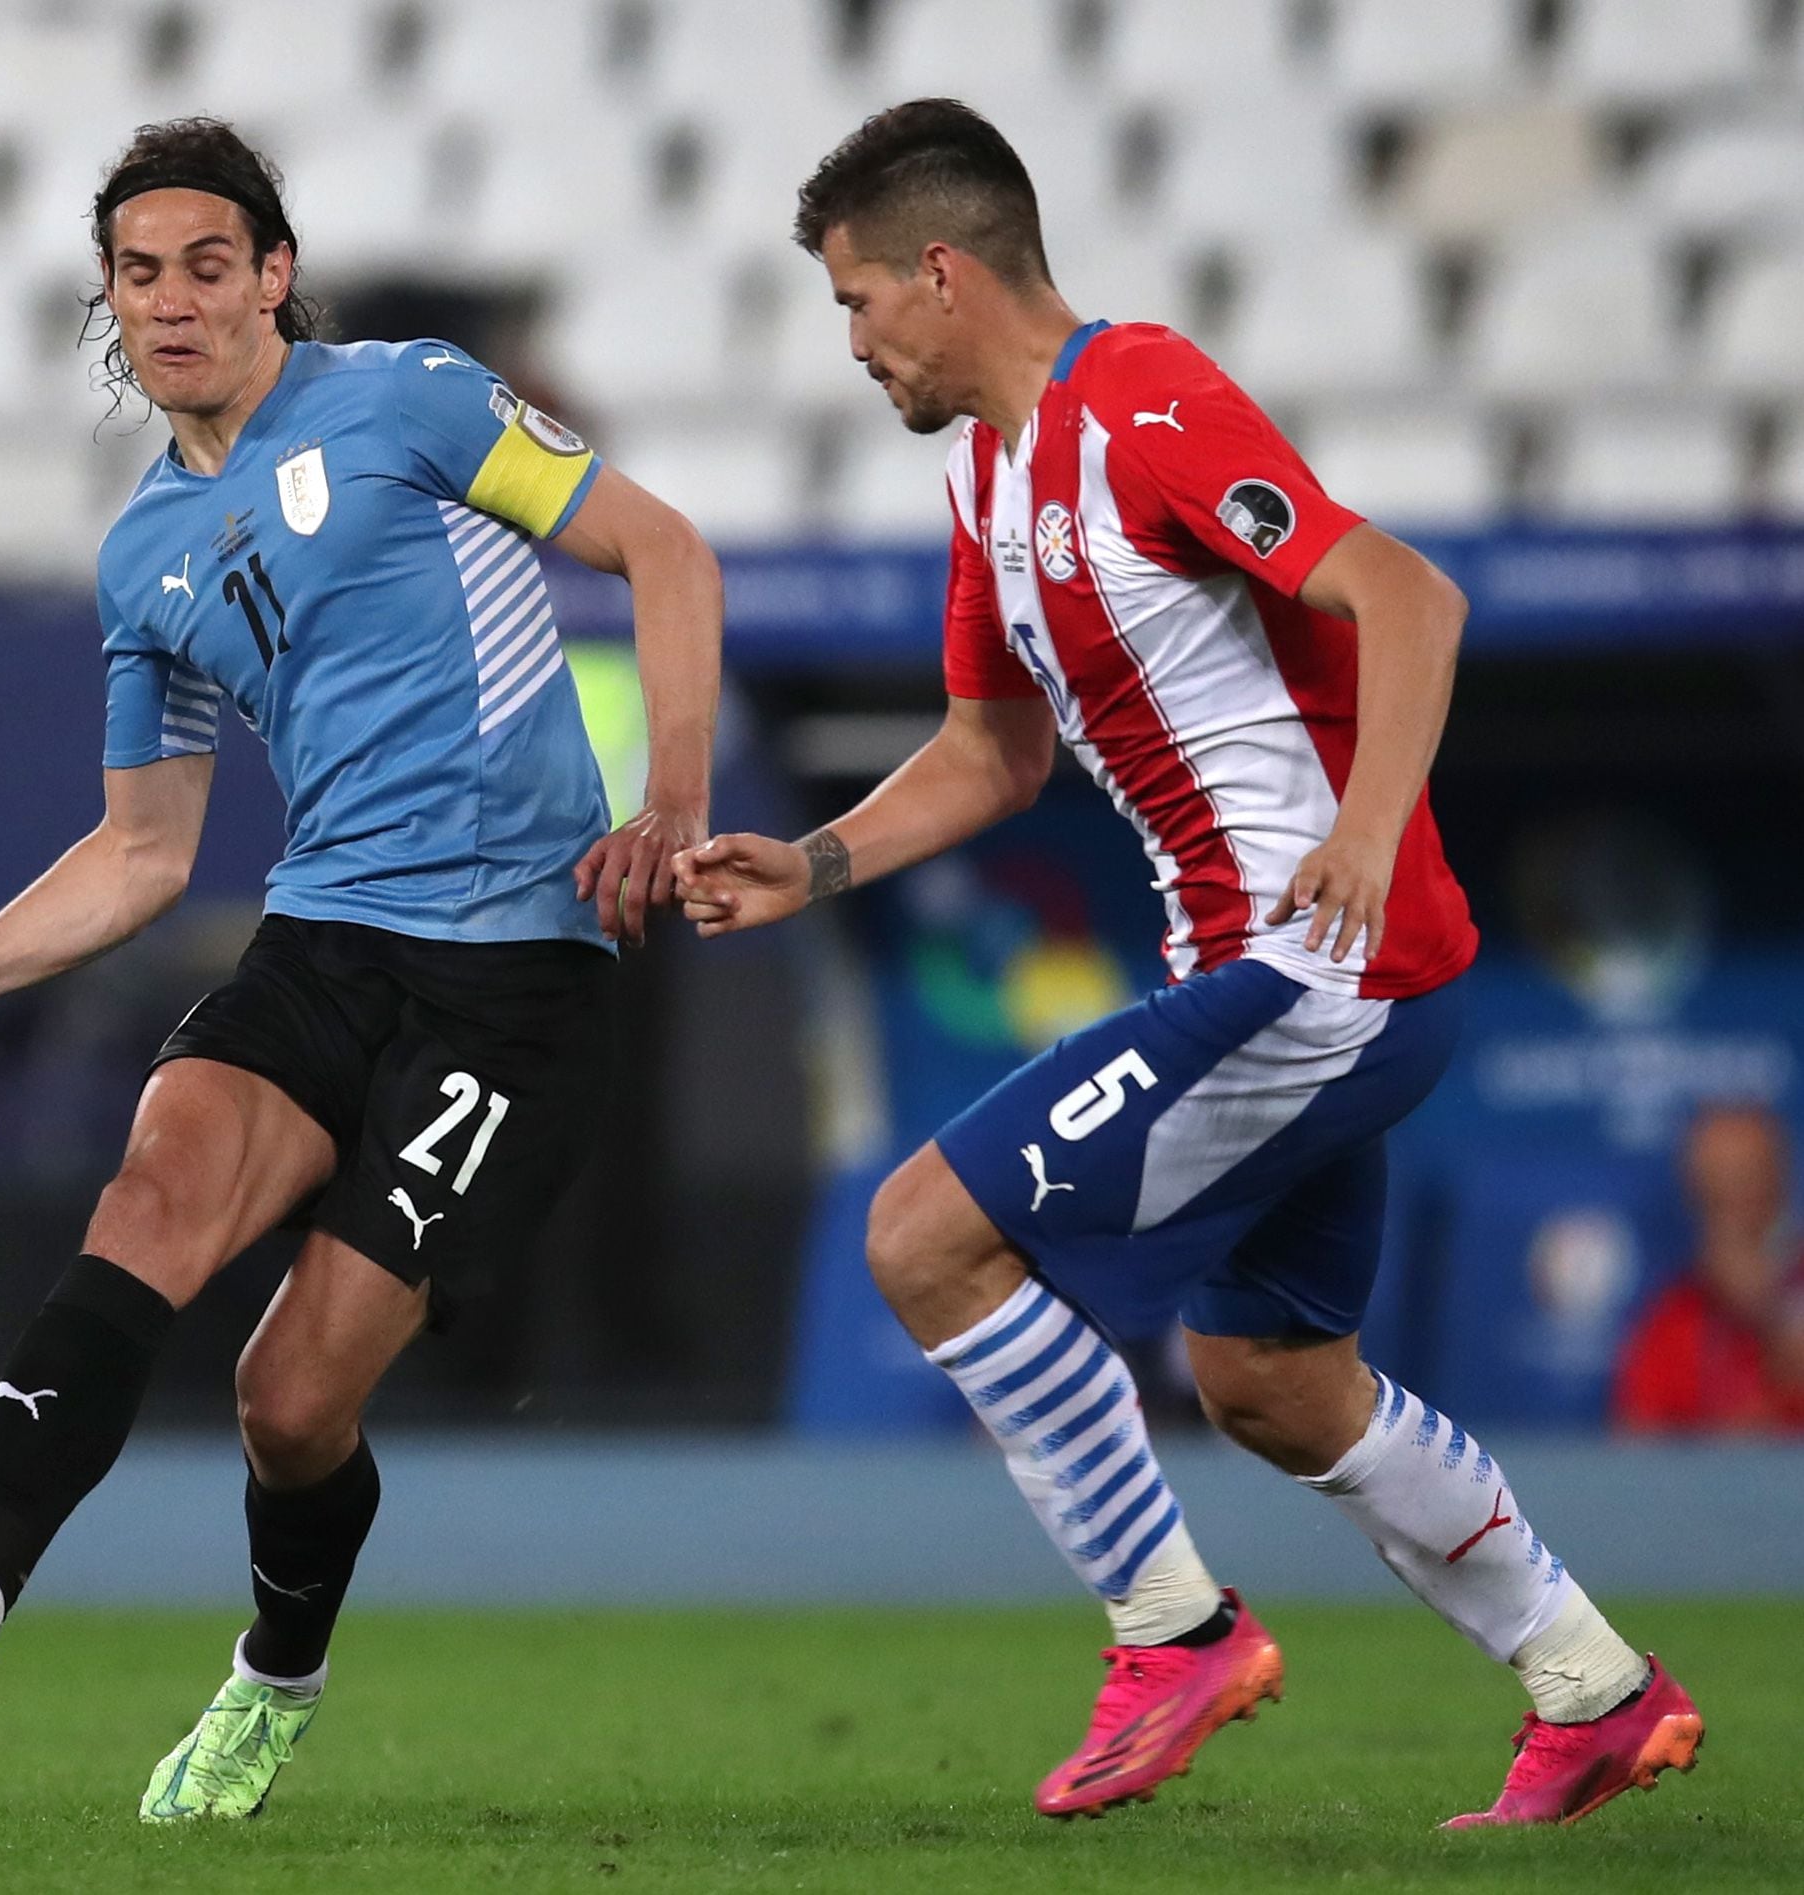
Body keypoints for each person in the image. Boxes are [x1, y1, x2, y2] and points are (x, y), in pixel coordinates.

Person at [674, 100, 1701, 1830]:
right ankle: (1593, 1687)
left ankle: (1175, 1634)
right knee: (1274, 1386)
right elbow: (993, 756)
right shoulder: (987, 477)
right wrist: (821, 861)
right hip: (1307, 977)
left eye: (855, 302)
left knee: (920, 1236)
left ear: (941, 272)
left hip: (1316, 971)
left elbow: (1409, 598)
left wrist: (1368, 828)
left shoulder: (1139, 398)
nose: (847, 342)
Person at [0, 118, 721, 1822]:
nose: (177, 300)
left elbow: (667, 550)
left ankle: (275, 1677)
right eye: (142, 274)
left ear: (274, 276)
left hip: (514, 972)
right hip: (326, 937)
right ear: (113, 304)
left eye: (212, 264)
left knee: (288, 1404)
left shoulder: (413, 399)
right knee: (153, 1189)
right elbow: (142, 854)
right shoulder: (145, 555)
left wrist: (673, 809)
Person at [1615, 1102, 1804, 1432]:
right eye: (1716, 1193)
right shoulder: (1671, 1323)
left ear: (1780, 1183)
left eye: (1747, 1182)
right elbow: (1637, 1459)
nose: (1734, 1207)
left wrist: (1772, 1321)